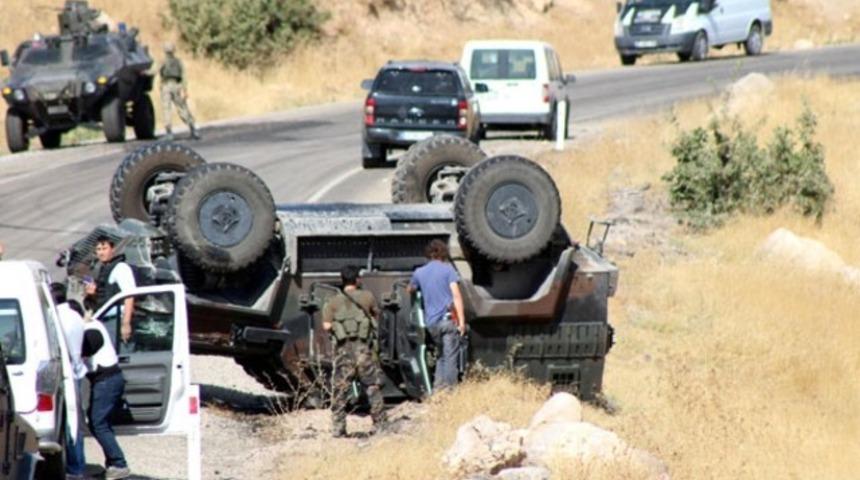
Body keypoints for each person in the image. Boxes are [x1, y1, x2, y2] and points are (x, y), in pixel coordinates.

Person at [322, 266, 387, 437]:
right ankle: (380, 425)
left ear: (341, 280)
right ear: (357, 279)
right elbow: (376, 315)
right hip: (363, 349)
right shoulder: (367, 296)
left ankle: (338, 428)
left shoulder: (333, 301)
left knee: (340, 389)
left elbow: (326, 326)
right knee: (372, 386)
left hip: (344, 350)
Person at [408, 239, 466, 391]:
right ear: (443, 253)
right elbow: (456, 295)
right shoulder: (448, 270)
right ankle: (450, 392)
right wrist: (461, 321)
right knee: (451, 357)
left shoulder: (419, 272)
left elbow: (410, 289)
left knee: (441, 356)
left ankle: (438, 389)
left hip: (431, 324)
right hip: (447, 320)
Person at [81, 308, 130, 479]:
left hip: (107, 381)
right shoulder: (92, 326)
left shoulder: (91, 332)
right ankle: (113, 464)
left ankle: (119, 463)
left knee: (98, 423)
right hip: (107, 380)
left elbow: (82, 353)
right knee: (99, 423)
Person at [50, 282, 88, 480]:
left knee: (66, 424)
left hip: (63, 375)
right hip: (77, 373)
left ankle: (73, 466)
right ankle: (78, 465)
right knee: (75, 422)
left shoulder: (53, 317)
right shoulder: (75, 315)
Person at [84, 236, 135, 343]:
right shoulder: (101, 269)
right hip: (104, 319)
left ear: (113, 249)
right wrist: (91, 294)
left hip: (117, 320)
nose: (101, 253)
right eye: (98, 249)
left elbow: (129, 295)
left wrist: (126, 323)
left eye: (104, 248)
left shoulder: (120, 268)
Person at [159, 42, 200, 140]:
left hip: (166, 86)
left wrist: (143, 73)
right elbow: (184, 76)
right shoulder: (178, 62)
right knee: (182, 108)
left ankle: (169, 133)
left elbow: (155, 70)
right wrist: (185, 89)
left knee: (166, 109)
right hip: (177, 86)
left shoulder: (163, 61)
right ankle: (193, 129)